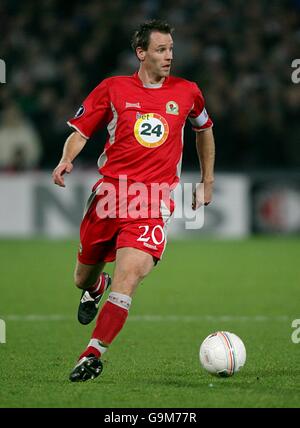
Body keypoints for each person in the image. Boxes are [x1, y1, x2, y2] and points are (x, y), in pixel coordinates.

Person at [52, 19, 215, 382]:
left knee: (129, 276)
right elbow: (81, 131)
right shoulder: (113, 88)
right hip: (109, 196)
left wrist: (206, 181)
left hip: (153, 202)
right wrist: (67, 159)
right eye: (161, 49)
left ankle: (93, 353)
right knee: (81, 277)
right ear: (141, 53)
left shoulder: (188, 92)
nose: (169, 56)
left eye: (171, 48)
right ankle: (95, 287)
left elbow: (205, 130)